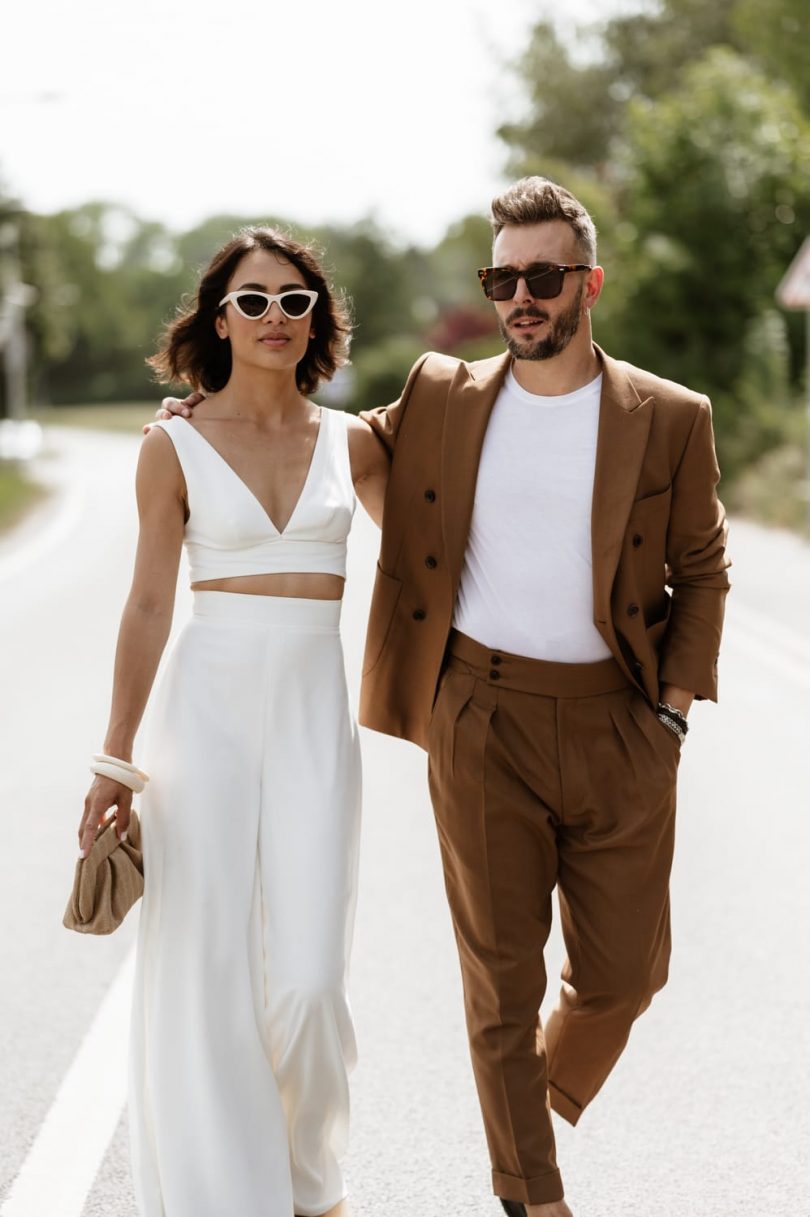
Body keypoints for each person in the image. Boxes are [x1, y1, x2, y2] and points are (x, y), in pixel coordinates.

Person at [163, 176, 730, 1217]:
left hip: (621, 721)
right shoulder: (441, 394)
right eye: (502, 276)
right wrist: (209, 418)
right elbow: (320, 441)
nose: (521, 295)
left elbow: (703, 566)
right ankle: (531, 1194)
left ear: (587, 282)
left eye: (543, 275)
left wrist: (675, 711)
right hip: (480, 714)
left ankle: (533, 1101)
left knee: (623, 976)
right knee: (501, 988)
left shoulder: (668, 416)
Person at [78, 226, 388, 1217]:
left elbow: (448, 526)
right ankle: (228, 1194)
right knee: (207, 966)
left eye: (295, 301)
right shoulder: (173, 444)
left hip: (312, 718)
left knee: (307, 979)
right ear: (220, 319)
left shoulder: (359, 442)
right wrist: (114, 761)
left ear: (317, 320)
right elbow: (146, 608)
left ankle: (311, 1180)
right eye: (253, 301)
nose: (274, 319)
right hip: (200, 719)